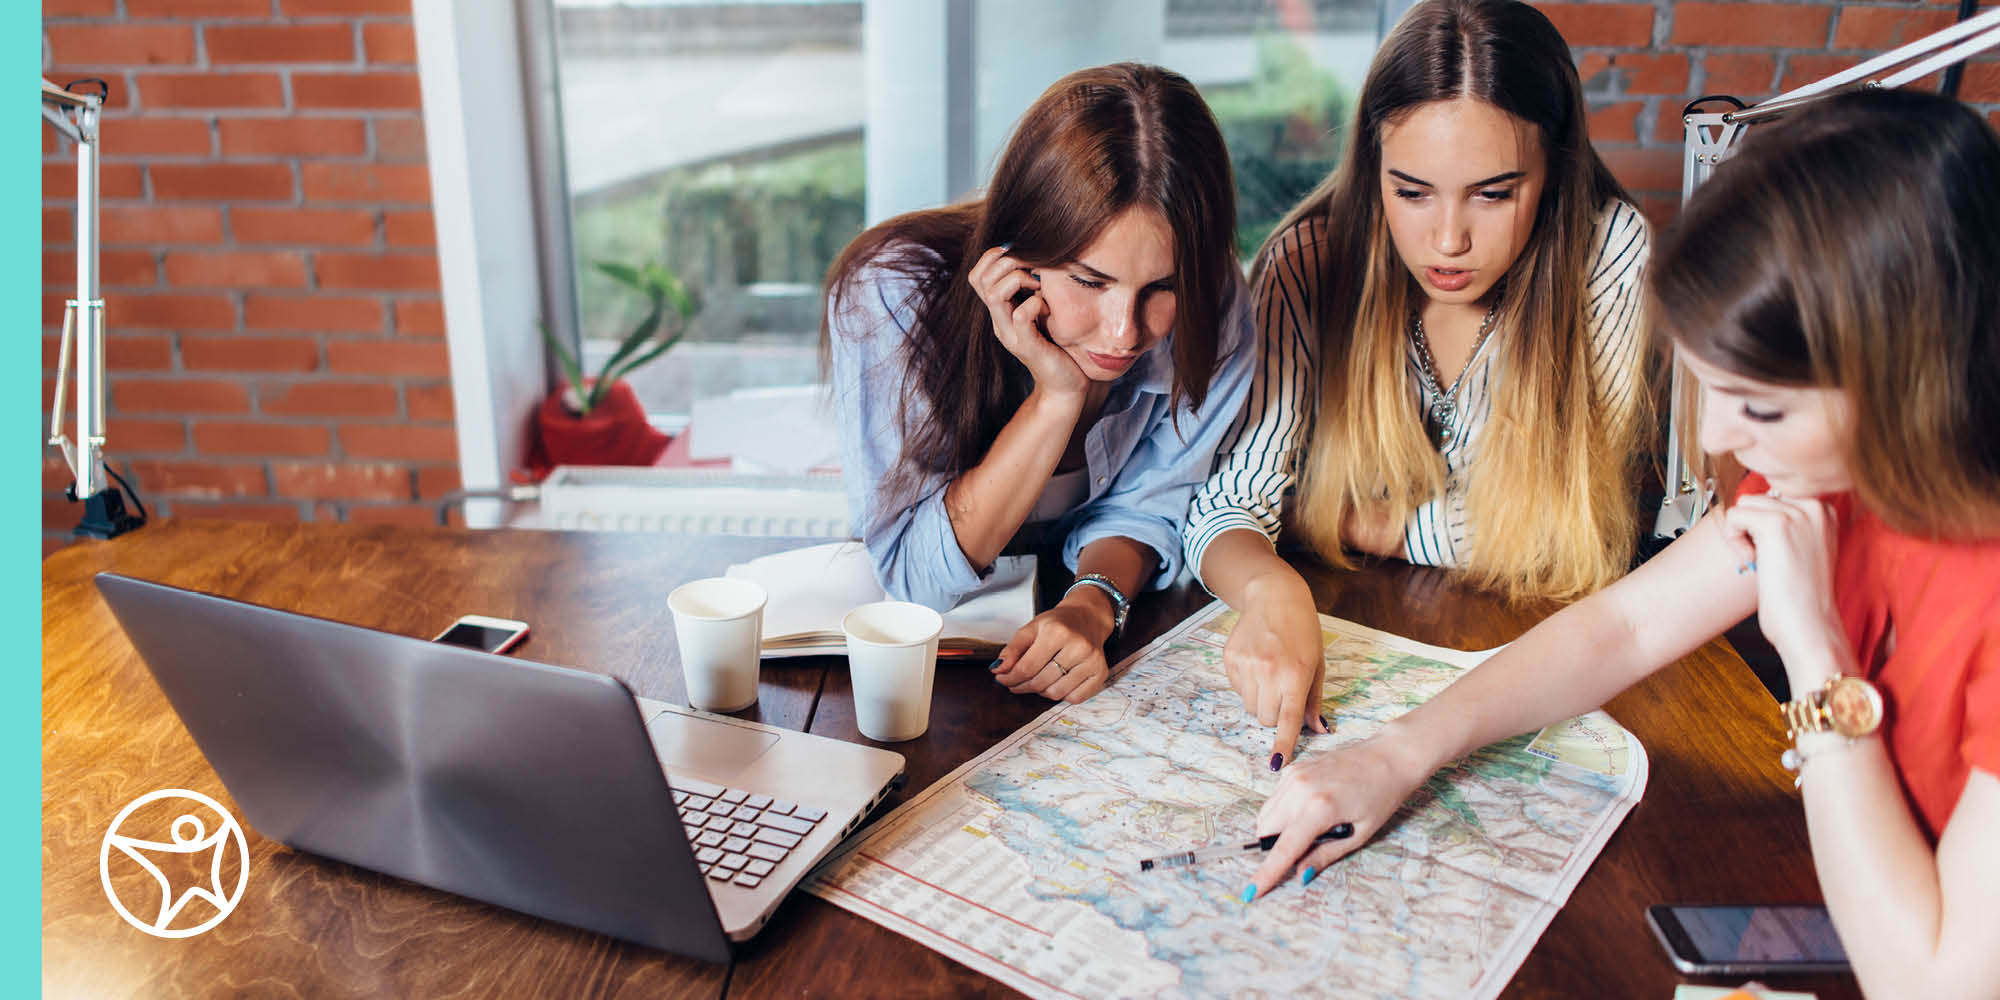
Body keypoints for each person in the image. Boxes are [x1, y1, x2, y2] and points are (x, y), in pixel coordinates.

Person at [1246, 89, 2000, 995]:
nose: (1722, 433)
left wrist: (1818, 662)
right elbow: (1624, 630)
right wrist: (1397, 753)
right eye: (1709, 385)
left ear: (1906, 377)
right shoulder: (1833, 468)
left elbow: (1933, 984)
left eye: (1758, 405)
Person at [1184, 0, 1655, 770]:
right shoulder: (1307, 260)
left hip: (1535, 672)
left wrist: (1366, 525)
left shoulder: (1606, 251)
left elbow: (1568, 532)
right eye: (1412, 192)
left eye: (1493, 193)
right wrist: (1275, 591)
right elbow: (1227, 505)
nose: (1447, 241)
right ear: (1373, 169)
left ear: (1556, 170)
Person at [824, 63, 1255, 705]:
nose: (1122, 334)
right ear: (1017, 249)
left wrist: (1091, 605)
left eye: (1161, 287)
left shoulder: (1214, 301)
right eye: (1089, 281)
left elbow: (1153, 501)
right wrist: (1056, 397)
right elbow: (917, 579)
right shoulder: (891, 289)